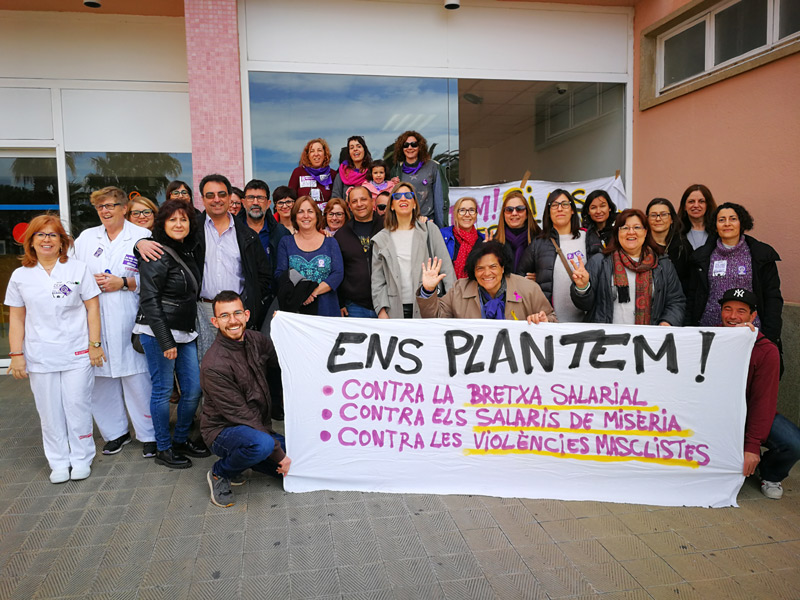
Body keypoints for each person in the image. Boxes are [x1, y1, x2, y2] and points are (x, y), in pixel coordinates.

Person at [6, 214, 105, 483]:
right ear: (31, 241)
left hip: (77, 352)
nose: (46, 239)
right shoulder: (21, 276)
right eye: (40, 235)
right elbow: (17, 317)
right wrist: (16, 355)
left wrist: (94, 345)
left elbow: (92, 307)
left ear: (63, 242)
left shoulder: (77, 269)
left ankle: (81, 457)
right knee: (49, 411)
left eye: (53, 235)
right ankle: (59, 461)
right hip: (40, 355)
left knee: (77, 405)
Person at [74, 187, 156, 458]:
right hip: (95, 319)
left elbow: (157, 279)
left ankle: (149, 434)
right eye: (100, 207)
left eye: (111, 205)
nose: (105, 211)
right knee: (101, 380)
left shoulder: (142, 236)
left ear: (124, 208)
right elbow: (74, 274)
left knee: (138, 379)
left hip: (130, 315)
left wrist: (123, 282)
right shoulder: (86, 238)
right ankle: (115, 433)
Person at [133, 200, 207, 469]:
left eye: (184, 220)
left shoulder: (188, 249)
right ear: (163, 224)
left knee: (193, 389)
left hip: (185, 331)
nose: (179, 224)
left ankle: (180, 439)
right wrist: (166, 340)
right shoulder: (155, 252)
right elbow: (149, 299)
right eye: (173, 220)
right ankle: (163, 447)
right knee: (163, 391)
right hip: (158, 333)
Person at [200, 291, 291, 508]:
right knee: (265, 446)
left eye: (237, 313)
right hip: (223, 430)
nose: (232, 321)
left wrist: (286, 326)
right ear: (215, 321)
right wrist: (278, 454)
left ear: (247, 315)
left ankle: (244, 463)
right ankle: (219, 473)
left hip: (255, 428)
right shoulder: (214, 364)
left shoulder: (257, 340)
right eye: (225, 316)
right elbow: (242, 415)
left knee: (297, 462)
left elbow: (284, 363)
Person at [718, 288, 800, 500]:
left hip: (751, 412)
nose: (733, 316)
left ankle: (770, 473)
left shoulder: (766, 350)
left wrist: (752, 446)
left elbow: (763, 402)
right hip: (720, 414)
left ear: (753, 316)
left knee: (793, 443)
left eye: (741, 311)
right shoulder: (712, 339)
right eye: (727, 309)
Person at [686, 203, 782, 350]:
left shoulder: (760, 255)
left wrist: (770, 336)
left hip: (749, 333)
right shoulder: (701, 257)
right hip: (709, 332)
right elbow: (692, 296)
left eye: (732, 219)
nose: (727, 224)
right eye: (721, 220)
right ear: (715, 225)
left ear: (741, 222)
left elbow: (772, 296)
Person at [195, 174, 271, 358]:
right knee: (206, 366)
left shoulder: (247, 234)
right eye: (210, 195)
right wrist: (140, 243)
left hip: (237, 311)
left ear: (230, 197)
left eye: (222, 194)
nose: (217, 200)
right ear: (202, 199)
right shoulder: (191, 230)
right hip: (203, 310)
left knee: (240, 365)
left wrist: (249, 301)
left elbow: (264, 275)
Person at [570, 208, 685, 326]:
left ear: (645, 232)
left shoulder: (662, 264)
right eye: (625, 228)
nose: (631, 232)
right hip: (607, 340)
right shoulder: (600, 261)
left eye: (637, 227)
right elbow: (584, 305)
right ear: (617, 233)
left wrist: (667, 322)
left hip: (647, 341)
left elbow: (676, 301)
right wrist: (583, 287)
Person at [372, 183, 456, 319]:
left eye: (408, 195)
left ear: (415, 204)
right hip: (394, 311)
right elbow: (377, 281)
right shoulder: (380, 239)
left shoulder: (429, 230)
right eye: (397, 196)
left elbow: (447, 270)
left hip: (429, 307)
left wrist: (452, 305)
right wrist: (381, 311)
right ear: (392, 206)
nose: (403, 199)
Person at [417, 241, 556, 323]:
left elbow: (552, 319)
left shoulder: (528, 288)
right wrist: (428, 290)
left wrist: (544, 320)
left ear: (503, 268)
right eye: (480, 268)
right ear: (473, 272)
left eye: (493, 267)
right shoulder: (459, 289)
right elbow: (435, 319)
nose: (487, 273)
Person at [519, 189, 587, 323]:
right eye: (554, 205)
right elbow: (517, 283)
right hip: (550, 325)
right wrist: (529, 285)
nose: (560, 209)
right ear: (548, 212)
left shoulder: (588, 238)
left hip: (586, 324)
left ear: (572, 210)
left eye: (565, 204)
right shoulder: (539, 244)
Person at [275, 196, 344, 317]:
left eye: (310, 211)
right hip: (297, 311)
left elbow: (338, 274)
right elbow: (280, 273)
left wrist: (312, 292)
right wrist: (301, 293)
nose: (305, 216)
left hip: (327, 309)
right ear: (295, 217)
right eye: (301, 212)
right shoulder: (286, 242)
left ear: (317, 216)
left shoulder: (330, 242)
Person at [335, 186, 383, 318]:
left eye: (363, 199)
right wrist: (340, 303)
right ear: (349, 206)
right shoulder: (341, 235)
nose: (359, 204)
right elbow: (337, 271)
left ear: (372, 201)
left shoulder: (387, 227)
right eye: (354, 201)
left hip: (387, 303)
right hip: (355, 307)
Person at [390, 130, 449, 227]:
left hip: (427, 222)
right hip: (404, 223)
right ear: (401, 148)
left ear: (420, 147)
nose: (410, 148)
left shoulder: (433, 167)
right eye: (406, 145)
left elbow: (440, 200)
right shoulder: (397, 170)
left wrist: (441, 227)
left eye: (414, 144)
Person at [238, 179, 288, 278]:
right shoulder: (233, 231)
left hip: (272, 291)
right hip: (242, 292)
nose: (255, 202)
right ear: (243, 202)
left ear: (268, 203)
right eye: (251, 198)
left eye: (260, 198)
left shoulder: (281, 233)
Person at [646, 197, 693, 289]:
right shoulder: (640, 245)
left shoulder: (682, 246)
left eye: (663, 214)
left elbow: (689, 281)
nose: (658, 219)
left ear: (672, 219)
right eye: (653, 215)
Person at [490, 190, 541, 274]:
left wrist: (539, 277)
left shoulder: (540, 239)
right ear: (504, 214)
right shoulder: (494, 242)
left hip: (530, 287)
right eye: (509, 209)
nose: (514, 213)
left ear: (527, 213)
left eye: (519, 209)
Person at [439, 196, 484, 279]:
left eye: (471, 210)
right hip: (450, 289)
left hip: (477, 290)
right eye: (462, 210)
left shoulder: (483, 240)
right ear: (455, 214)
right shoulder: (442, 235)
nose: (467, 215)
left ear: (476, 214)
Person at [288, 138, 335, 205]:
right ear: (308, 156)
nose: (316, 154)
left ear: (325, 155)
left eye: (319, 150)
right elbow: (290, 199)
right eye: (312, 151)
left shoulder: (332, 174)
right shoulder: (298, 172)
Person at [331, 135, 372, 200]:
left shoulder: (373, 172)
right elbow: (335, 199)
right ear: (349, 153)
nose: (355, 149)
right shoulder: (342, 174)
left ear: (364, 150)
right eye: (352, 148)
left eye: (359, 146)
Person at [677, 184, 717, 250]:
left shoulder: (717, 231)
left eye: (701, 201)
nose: (696, 205)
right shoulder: (676, 232)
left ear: (708, 205)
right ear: (684, 206)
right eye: (691, 201)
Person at [582, 190, 616, 255]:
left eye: (602, 206)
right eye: (593, 208)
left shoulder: (619, 229)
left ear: (609, 208)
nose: (598, 211)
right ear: (588, 211)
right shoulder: (584, 233)